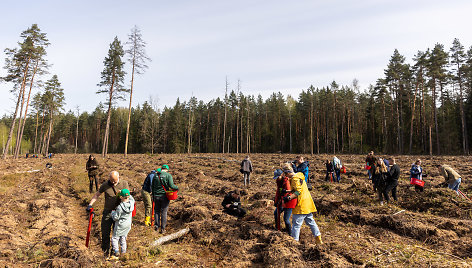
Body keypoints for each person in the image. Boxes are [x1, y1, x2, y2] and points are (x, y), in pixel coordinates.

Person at [86, 171, 129, 257]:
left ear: (118, 178)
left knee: (117, 234)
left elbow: (128, 197)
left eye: (115, 181)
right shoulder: (105, 185)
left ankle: (115, 252)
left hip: (119, 213)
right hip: (108, 212)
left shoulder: (124, 183)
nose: (113, 182)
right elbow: (97, 195)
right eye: (111, 180)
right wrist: (90, 204)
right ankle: (105, 252)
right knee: (105, 232)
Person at [281, 163, 322, 244]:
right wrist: (287, 191)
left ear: (288, 172)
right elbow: (297, 188)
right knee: (311, 221)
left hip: (301, 204)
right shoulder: (299, 176)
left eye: (285, 174)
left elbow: (298, 192)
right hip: (307, 203)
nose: (285, 176)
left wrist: (288, 198)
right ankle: (318, 239)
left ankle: (294, 242)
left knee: (296, 224)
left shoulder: (295, 179)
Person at [151, 164, 178, 233]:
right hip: (164, 196)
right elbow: (171, 185)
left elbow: (152, 186)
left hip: (156, 196)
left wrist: (153, 196)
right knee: (164, 212)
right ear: (167, 170)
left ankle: (156, 228)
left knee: (156, 211)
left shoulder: (155, 175)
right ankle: (163, 229)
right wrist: (177, 188)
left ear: (161, 168)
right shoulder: (168, 175)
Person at [110, 189, 135, 258]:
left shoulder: (120, 207)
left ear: (121, 197)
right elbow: (132, 198)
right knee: (123, 238)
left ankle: (116, 251)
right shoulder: (131, 203)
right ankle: (124, 252)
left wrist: (112, 213)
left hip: (120, 225)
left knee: (115, 238)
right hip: (128, 225)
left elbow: (116, 218)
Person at [273, 169, 295, 235]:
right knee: (276, 213)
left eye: (278, 177)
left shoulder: (287, 181)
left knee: (286, 219)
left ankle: (290, 233)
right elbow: (278, 192)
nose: (277, 179)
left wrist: (284, 193)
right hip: (282, 201)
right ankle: (277, 228)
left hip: (289, 202)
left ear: (282, 175)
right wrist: (276, 201)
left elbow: (289, 192)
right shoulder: (279, 182)